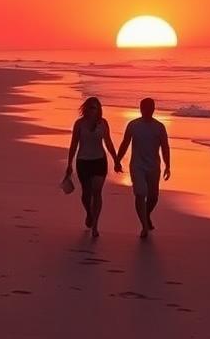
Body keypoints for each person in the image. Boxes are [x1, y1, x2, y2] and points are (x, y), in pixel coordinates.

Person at [115, 97, 170, 239]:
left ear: (153, 109)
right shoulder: (133, 125)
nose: (147, 111)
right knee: (140, 194)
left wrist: (168, 166)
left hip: (153, 167)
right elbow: (125, 143)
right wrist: (117, 160)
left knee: (153, 197)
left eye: (150, 108)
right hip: (137, 166)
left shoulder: (159, 127)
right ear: (140, 109)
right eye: (144, 108)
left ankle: (146, 215)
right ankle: (144, 226)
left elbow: (165, 147)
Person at [65, 97, 118, 239]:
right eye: (90, 107)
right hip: (83, 161)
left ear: (99, 109)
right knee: (86, 193)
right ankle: (89, 212)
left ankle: (95, 225)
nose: (92, 110)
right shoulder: (79, 124)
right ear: (85, 109)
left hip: (99, 161)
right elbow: (74, 144)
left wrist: (116, 159)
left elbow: (108, 142)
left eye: (95, 108)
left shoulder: (103, 123)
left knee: (97, 192)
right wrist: (69, 164)